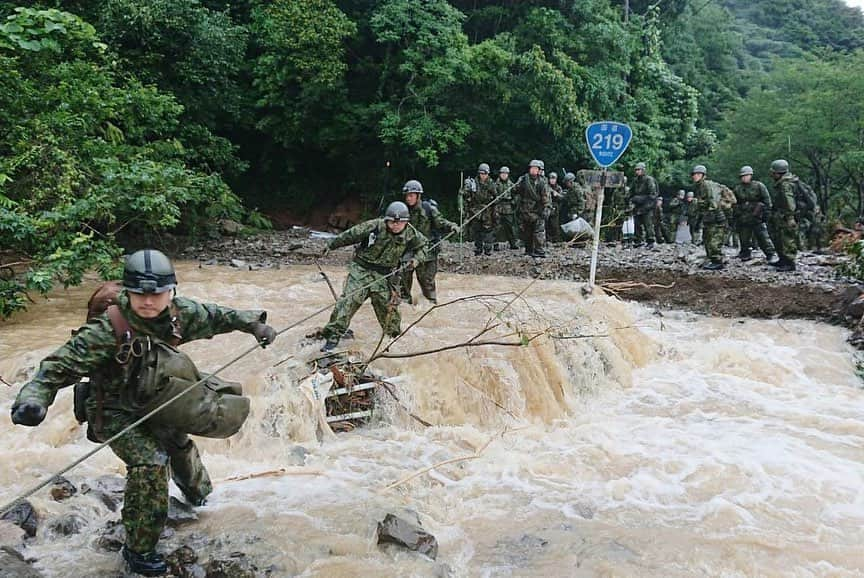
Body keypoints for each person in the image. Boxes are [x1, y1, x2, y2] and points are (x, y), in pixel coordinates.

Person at [10, 250, 276, 576]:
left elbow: (218, 315)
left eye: (156, 294)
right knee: (150, 462)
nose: (148, 301)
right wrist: (34, 400)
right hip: (111, 409)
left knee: (178, 442)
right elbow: (55, 368)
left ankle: (200, 498)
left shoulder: (180, 315)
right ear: (129, 292)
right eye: (140, 294)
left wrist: (254, 325)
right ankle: (139, 548)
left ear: (170, 292)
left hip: (155, 395)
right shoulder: (106, 330)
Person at [319, 201, 429, 351]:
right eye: (392, 222)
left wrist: (416, 260)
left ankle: (393, 340)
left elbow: (424, 246)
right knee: (348, 301)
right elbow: (351, 234)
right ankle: (332, 337)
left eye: (400, 222)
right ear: (387, 220)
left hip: (384, 276)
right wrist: (331, 245)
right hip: (361, 270)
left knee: (389, 312)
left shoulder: (411, 233)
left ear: (406, 222)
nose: (396, 225)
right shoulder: (375, 226)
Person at [399, 180, 458, 305]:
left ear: (418, 195)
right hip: (409, 249)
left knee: (427, 281)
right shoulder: (403, 211)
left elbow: (441, 222)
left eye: (411, 195)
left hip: (428, 250)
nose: (408, 198)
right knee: (403, 276)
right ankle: (405, 304)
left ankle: (430, 304)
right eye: (407, 196)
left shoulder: (428, 209)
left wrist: (452, 226)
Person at [691, 164, 735, 270]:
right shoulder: (699, 186)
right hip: (709, 217)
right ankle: (712, 259)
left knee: (714, 241)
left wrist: (713, 213)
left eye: (698, 174)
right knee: (706, 238)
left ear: (703, 175)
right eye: (694, 174)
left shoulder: (707, 185)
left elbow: (713, 200)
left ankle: (718, 261)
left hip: (716, 217)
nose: (695, 176)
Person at [733, 165, 777, 263]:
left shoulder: (759, 186)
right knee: (744, 238)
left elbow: (767, 200)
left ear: (751, 175)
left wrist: (766, 214)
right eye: (743, 176)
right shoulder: (737, 189)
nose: (745, 177)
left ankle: (770, 254)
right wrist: (737, 213)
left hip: (757, 216)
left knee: (763, 236)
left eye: (747, 175)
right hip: (744, 217)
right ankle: (745, 253)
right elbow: (734, 203)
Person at [514, 160, 551, 258]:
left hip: (537, 210)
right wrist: (518, 183)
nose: (533, 171)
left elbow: (546, 197)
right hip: (525, 210)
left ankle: (540, 251)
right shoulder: (524, 180)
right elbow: (516, 191)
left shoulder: (542, 182)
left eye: (536, 169)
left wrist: (546, 208)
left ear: (539, 170)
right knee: (527, 232)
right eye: (532, 168)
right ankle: (528, 250)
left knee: (539, 232)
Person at [769, 159, 799, 272]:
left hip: (787, 216)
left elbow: (789, 203)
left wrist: (790, 217)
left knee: (787, 238)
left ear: (778, 172)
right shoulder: (784, 182)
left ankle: (790, 262)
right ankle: (783, 259)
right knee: (780, 237)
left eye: (773, 172)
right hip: (781, 215)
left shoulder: (785, 184)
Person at [465, 163, 497, 256]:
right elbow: (467, 195)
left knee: (488, 230)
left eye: (485, 174)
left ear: (488, 174)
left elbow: (496, 197)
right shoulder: (473, 183)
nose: (483, 176)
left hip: (487, 210)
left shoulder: (491, 183)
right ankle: (478, 249)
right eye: (481, 174)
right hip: (476, 209)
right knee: (477, 229)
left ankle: (488, 250)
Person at [630, 162, 658, 248]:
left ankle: (651, 241)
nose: (637, 171)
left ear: (643, 170)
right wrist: (630, 199)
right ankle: (638, 240)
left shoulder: (649, 180)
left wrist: (644, 202)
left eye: (639, 170)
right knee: (637, 223)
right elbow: (631, 192)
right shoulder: (635, 181)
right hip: (637, 205)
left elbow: (653, 194)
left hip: (647, 205)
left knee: (648, 223)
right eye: (636, 170)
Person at [494, 166, 520, 250]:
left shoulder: (512, 185)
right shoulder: (495, 184)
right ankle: (495, 244)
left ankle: (513, 243)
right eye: (502, 173)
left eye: (505, 174)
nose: (504, 175)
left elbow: (517, 195)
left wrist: (514, 202)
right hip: (498, 207)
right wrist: (495, 199)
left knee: (510, 227)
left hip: (508, 207)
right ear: (500, 174)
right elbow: (492, 195)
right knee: (496, 226)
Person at [546, 172, 564, 243]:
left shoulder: (558, 188)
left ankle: (556, 240)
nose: (552, 180)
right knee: (546, 224)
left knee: (555, 225)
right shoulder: (546, 186)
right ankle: (547, 239)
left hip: (555, 207)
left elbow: (562, 198)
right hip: (547, 206)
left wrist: (556, 194)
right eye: (551, 178)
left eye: (554, 179)